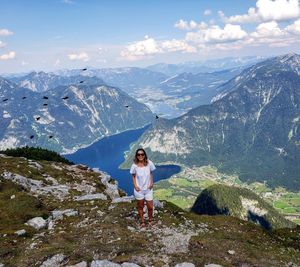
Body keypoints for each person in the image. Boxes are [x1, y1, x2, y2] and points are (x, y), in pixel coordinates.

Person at [130, 148, 156, 228]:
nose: (140, 156)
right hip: (139, 190)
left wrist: (151, 183)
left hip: (148, 189)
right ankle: (142, 221)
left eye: (142, 154)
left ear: (144, 155)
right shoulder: (134, 165)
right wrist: (135, 186)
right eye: (138, 154)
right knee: (140, 206)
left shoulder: (149, 163)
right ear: (136, 156)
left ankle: (150, 220)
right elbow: (133, 175)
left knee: (150, 207)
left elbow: (151, 173)